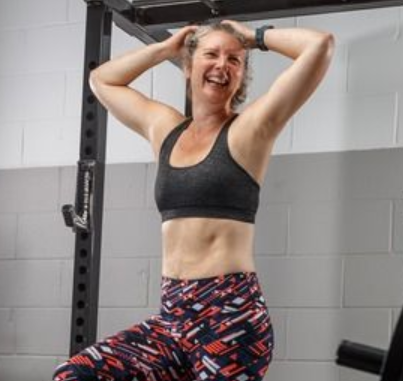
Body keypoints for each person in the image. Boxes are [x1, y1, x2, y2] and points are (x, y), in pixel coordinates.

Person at [53, 20, 334, 381]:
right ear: (189, 66)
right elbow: (102, 80)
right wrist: (166, 48)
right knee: (74, 375)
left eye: (235, 60)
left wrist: (254, 37)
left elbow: (319, 46)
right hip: (172, 317)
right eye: (211, 54)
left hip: (231, 318)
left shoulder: (250, 129)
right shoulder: (165, 128)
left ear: (241, 75)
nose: (222, 65)